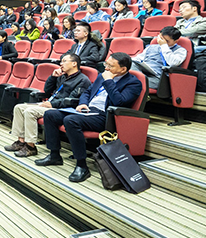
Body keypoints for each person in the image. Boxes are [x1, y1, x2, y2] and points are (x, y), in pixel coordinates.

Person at [36, 53, 142, 183]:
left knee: (70, 121)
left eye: (110, 66)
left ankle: (81, 165)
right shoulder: (101, 76)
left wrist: (109, 81)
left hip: (105, 116)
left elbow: (118, 102)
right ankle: (54, 155)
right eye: (106, 64)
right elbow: (87, 92)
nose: (106, 68)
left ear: (123, 69)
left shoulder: (133, 83)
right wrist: (83, 103)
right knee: (50, 114)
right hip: (87, 110)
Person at [5, 53, 90, 157]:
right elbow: (47, 90)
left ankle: (30, 147)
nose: (61, 64)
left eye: (64, 61)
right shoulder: (62, 76)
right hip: (50, 103)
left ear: (74, 63)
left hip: (62, 108)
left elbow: (72, 100)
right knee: (19, 107)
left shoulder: (83, 80)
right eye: (61, 61)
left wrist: (52, 104)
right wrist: (53, 77)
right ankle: (21, 141)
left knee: (30, 111)